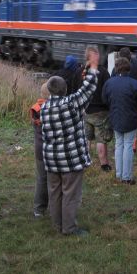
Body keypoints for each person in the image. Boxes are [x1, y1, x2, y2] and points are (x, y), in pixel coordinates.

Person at [41, 50, 99, 236]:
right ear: (65, 90)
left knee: (55, 193)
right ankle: (69, 228)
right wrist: (93, 67)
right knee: (70, 195)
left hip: (51, 160)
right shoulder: (71, 104)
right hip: (70, 160)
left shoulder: (44, 108)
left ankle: (57, 225)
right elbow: (88, 88)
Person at [103, 57, 137, 184]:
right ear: (129, 68)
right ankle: (126, 177)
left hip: (115, 118)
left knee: (118, 144)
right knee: (128, 145)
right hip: (130, 119)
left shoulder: (109, 82)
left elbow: (105, 100)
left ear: (116, 68)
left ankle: (118, 174)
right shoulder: (134, 83)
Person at [83, 46, 113, 172]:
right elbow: (108, 90)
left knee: (87, 137)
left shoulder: (82, 71)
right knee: (101, 139)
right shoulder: (103, 72)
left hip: (86, 111)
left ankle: (85, 160)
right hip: (100, 111)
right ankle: (104, 164)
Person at [30, 82, 50, 218]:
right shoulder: (52, 108)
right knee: (54, 180)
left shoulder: (35, 108)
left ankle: (39, 209)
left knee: (41, 179)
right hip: (51, 149)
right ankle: (56, 208)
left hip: (39, 148)